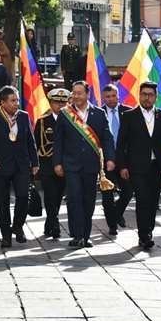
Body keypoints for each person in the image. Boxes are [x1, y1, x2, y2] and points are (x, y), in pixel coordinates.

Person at [116, 82, 161, 249]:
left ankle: (148, 231)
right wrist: (122, 166)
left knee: (152, 201)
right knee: (142, 199)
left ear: (155, 97)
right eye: (144, 94)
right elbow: (121, 144)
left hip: (156, 166)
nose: (147, 97)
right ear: (139, 95)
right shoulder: (129, 116)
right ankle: (144, 235)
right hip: (136, 166)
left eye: (150, 94)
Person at [53, 81, 115, 248]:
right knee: (74, 198)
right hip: (71, 164)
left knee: (88, 200)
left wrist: (110, 158)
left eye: (80, 93)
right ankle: (77, 234)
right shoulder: (65, 113)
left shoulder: (99, 114)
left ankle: (85, 236)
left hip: (91, 165)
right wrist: (57, 162)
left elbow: (107, 138)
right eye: (74, 93)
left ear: (88, 94)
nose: (76, 96)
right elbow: (58, 140)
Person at [0, 86, 40, 247]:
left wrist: (35, 162)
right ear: (3, 102)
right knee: (2, 201)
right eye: (13, 100)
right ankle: (6, 235)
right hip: (0, 166)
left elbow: (30, 140)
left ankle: (18, 226)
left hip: (21, 165)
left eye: (17, 100)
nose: (16, 103)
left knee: (23, 197)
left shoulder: (23, 116)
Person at [35, 88, 70, 238]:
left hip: (65, 165)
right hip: (47, 164)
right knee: (49, 195)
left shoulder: (72, 120)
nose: (60, 105)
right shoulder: (43, 121)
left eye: (63, 102)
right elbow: (36, 143)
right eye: (56, 102)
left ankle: (49, 223)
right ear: (51, 102)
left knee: (58, 196)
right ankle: (55, 224)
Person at [101, 84, 133, 234]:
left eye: (114, 96)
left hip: (124, 160)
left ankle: (117, 214)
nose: (111, 99)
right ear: (103, 98)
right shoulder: (98, 113)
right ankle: (112, 226)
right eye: (108, 96)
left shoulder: (128, 112)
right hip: (106, 161)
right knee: (107, 196)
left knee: (127, 192)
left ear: (118, 96)